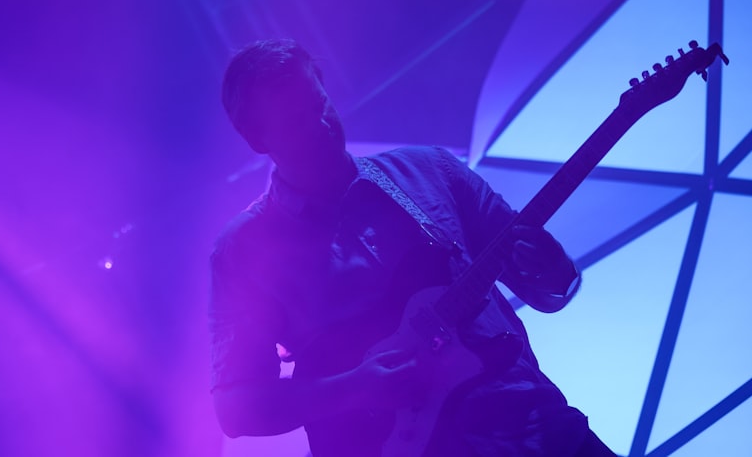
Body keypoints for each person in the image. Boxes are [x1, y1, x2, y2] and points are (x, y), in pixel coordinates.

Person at [208, 38, 616, 456]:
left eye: (320, 103)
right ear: (259, 140)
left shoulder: (431, 170)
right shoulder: (243, 254)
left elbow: (546, 291)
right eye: (296, 121)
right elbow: (237, 410)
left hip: (536, 423)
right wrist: (354, 389)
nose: (322, 125)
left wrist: (551, 262)